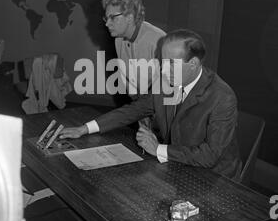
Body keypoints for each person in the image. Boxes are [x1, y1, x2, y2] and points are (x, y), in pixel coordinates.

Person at [60, 29, 242, 181]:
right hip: (178, 165)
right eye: (162, 62)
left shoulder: (222, 97)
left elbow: (209, 156)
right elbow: (133, 110)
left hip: (216, 178)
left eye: (171, 63)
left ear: (193, 64)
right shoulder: (165, 82)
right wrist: (84, 129)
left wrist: (158, 149)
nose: (163, 70)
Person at [102, 0, 166, 123]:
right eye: (106, 18)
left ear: (130, 17)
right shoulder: (118, 39)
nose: (107, 24)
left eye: (113, 18)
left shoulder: (158, 40)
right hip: (142, 106)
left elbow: (171, 88)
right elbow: (129, 81)